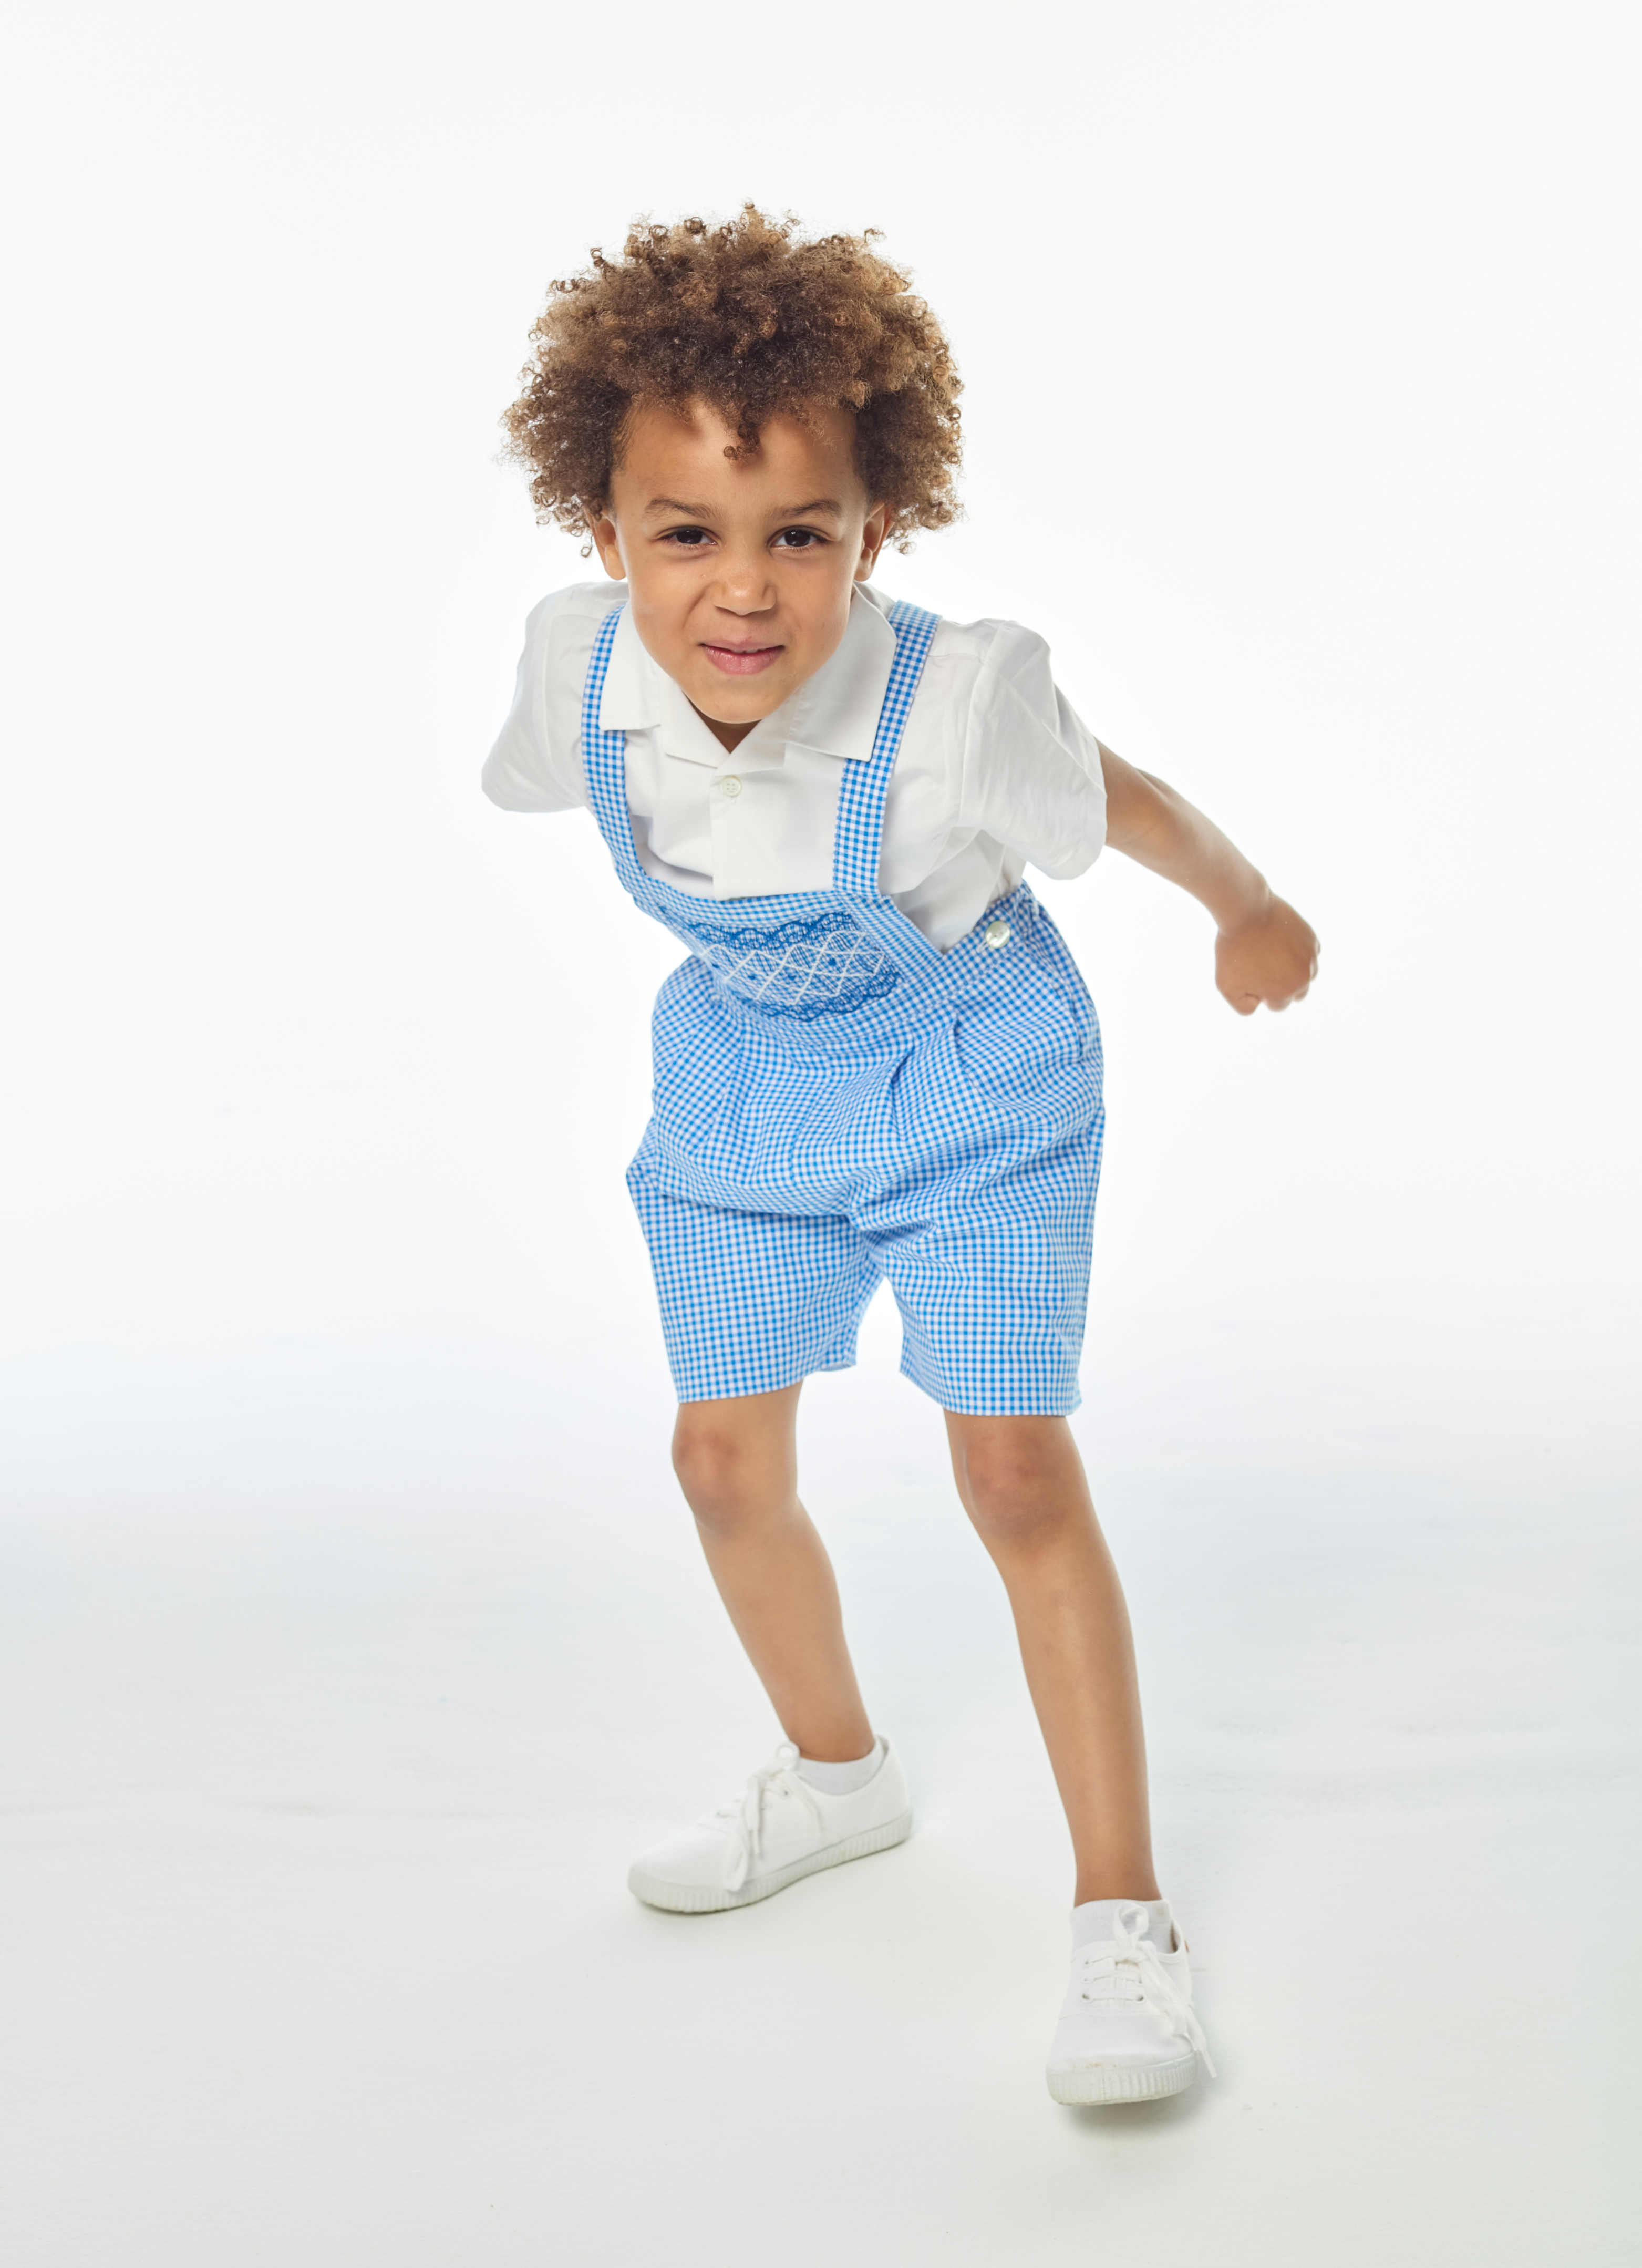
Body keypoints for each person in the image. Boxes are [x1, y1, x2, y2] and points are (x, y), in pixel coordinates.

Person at [484, 208, 1317, 2105]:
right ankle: (838, 1781)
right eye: (684, 531)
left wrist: (1246, 906)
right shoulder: (573, 676)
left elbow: (1130, 801)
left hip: (972, 1078)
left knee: (1014, 1473)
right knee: (717, 1460)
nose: (745, 589)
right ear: (601, 530)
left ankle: (1122, 1918)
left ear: (880, 528)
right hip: (741, 1085)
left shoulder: (958, 704)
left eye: (804, 532)